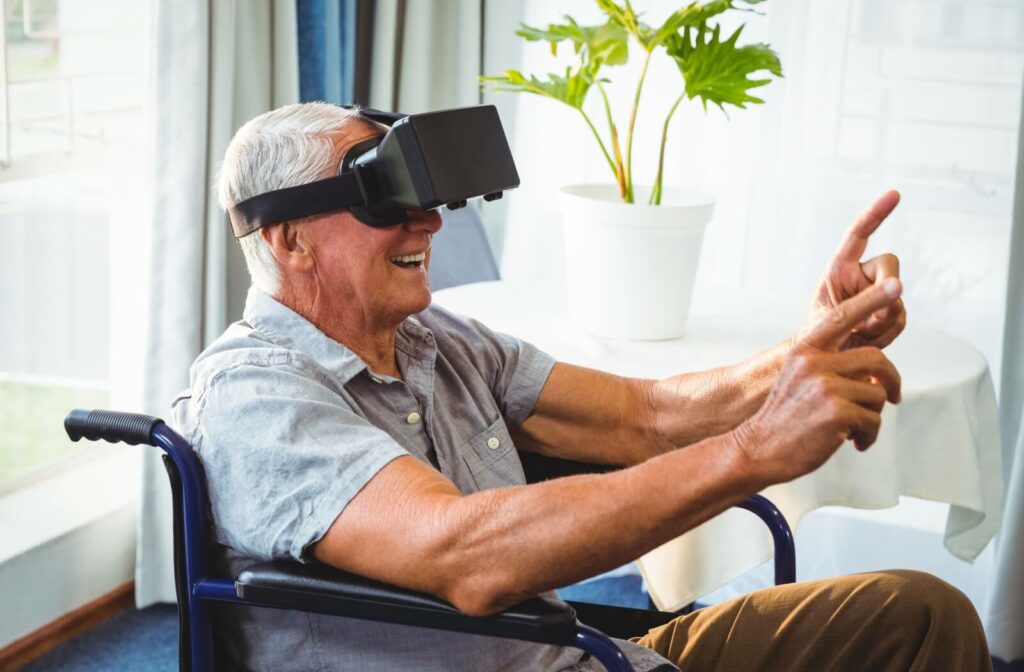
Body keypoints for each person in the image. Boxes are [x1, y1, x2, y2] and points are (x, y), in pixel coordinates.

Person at [170, 102, 991, 672]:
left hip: (576, 653)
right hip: (543, 655)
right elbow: (468, 554)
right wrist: (756, 452)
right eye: (389, 200)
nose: (429, 224)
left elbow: (647, 416)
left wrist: (804, 349)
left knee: (919, 615)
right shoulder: (257, 397)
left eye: (424, 200)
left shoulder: (438, 340)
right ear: (290, 240)